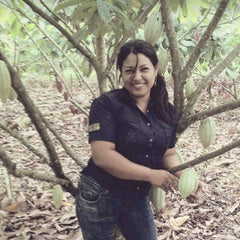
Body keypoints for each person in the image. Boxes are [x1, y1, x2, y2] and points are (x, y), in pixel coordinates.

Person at [75, 39, 202, 240]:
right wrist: (151, 175)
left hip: (135, 195)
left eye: (144, 69)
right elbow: (102, 156)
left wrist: (185, 176)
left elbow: (168, 154)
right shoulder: (106, 104)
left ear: (155, 69)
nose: (137, 77)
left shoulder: (166, 111)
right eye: (129, 71)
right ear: (121, 73)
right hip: (100, 193)